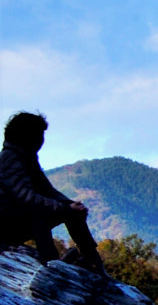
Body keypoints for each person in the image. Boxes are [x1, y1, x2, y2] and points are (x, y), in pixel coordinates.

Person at [0, 112, 104, 274]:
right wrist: (67, 209)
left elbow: (47, 190)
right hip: (5, 228)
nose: (42, 140)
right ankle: (50, 263)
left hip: (14, 220)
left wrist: (71, 205)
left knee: (61, 211)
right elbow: (27, 198)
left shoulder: (26, 158)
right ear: (28, 136)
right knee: (39, 214)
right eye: (39, 135)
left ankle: (91, 259)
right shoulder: (10, 159)